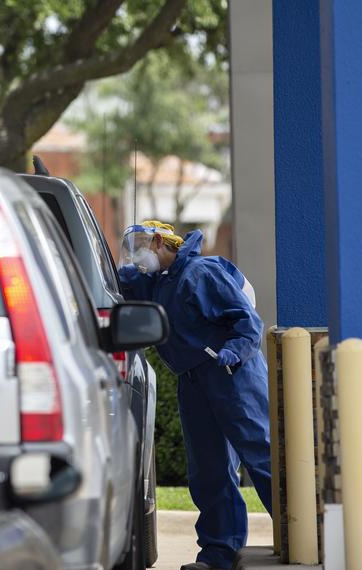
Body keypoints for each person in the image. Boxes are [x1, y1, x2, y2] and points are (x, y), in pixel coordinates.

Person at [118, 221, 272, 570]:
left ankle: (308, 537)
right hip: (194, 380)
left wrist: (232, 353)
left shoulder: (202, 273)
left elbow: (248, 323)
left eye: (141, 247)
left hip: (232, 375)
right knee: (209, 469)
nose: (138, 256)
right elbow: (116, 279)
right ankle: (219, 553)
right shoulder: (159, 284)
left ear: (160, 241)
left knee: (262, 457)